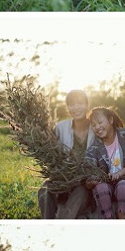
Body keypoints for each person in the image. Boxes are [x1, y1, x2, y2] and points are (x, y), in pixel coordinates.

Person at [38, 89, 95, 219]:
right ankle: (48, 222)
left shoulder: (96, 128)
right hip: (63, 178)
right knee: (45, 189)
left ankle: (63, 223)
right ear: (67, 108)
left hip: (84, 183)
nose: (76, 108)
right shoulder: (60, 128)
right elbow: (51, 154)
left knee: (80, 194)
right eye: (71, 104)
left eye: (80, 103)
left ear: (87, 105)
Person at [83, 106, 125, 219]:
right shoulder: (93, 148)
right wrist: (93, 182)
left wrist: (120, 173)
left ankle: (123, 222)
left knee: (123, 186)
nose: (97, 127)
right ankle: (109, 222)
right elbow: (87, 179)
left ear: (111, 120)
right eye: (93, 124)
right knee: (101, 188)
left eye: (100, 122)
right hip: (105, 186)